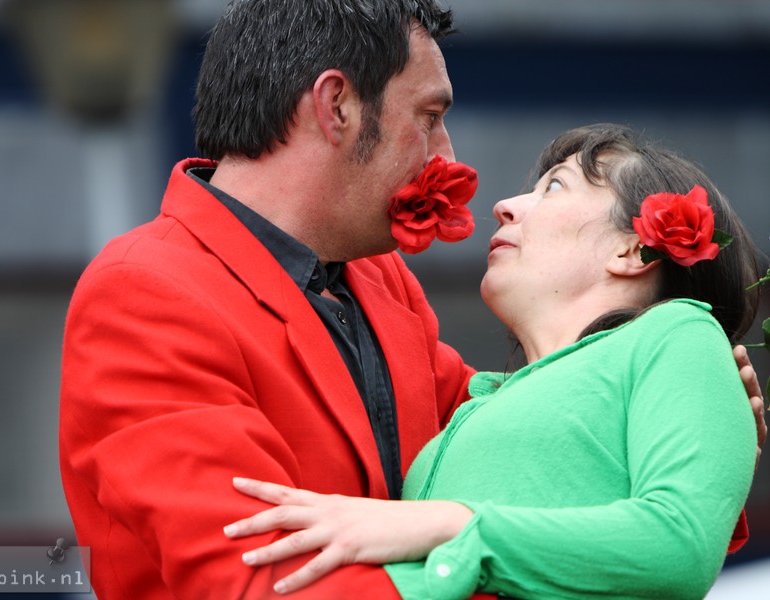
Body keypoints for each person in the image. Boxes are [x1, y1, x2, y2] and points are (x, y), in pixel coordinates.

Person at [58, 0, 766, 597]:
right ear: (336, 106)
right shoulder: (147, 291)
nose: (449, 157)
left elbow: (513, 441)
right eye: (429, 116)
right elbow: (258, 578)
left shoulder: (378, 279)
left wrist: (688, 438)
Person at [224, 123, 767, 599]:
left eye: (554, 186)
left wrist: (448, 525)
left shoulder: (678, 333)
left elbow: (678, 545)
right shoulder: (478, 399)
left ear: (629, 250)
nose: (506, 205)